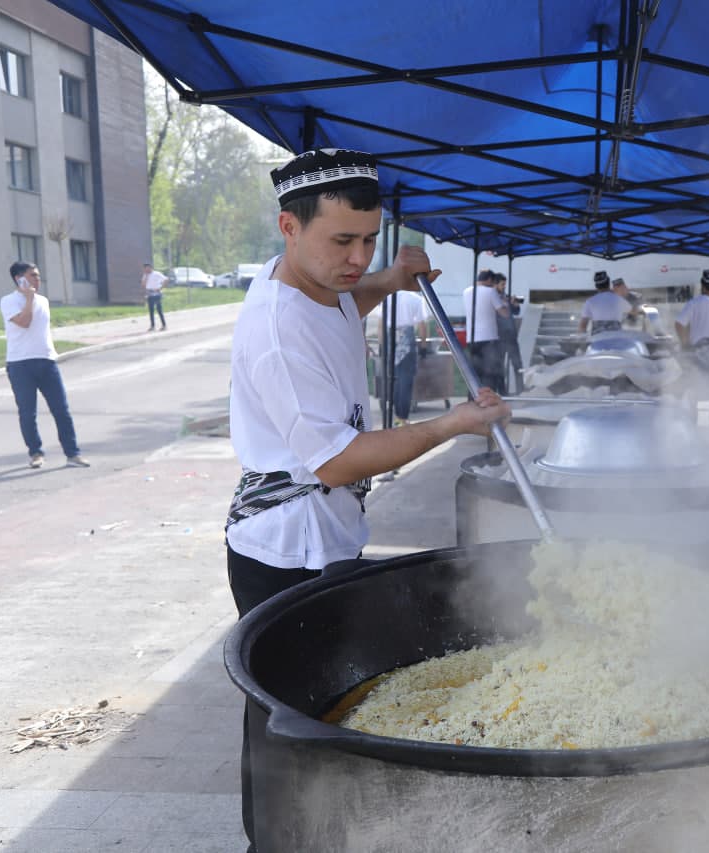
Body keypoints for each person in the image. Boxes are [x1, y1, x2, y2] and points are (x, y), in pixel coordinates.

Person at [225, 148, 510, 851]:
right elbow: (338, 460)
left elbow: (344, 300)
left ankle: (324, 828)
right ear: (288, 227)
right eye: (341, 241)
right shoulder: (277, 335)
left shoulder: (319, 284)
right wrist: (452, 424)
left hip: (331, 532)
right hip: (287, 550)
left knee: (323, 704)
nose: (355, 257)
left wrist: (392, 277)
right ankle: (279, 840)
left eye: (368, 240)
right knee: (287, 722)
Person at [0, 263, 91, 470]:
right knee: (27, 412)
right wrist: (29, 298)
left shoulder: (44, 301)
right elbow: (24, 322)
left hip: (46, 361)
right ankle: (36, 453)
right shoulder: (8, 301)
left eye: (38, 275)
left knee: (61, 410)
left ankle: (73, 454)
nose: (37, 280)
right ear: (18, 279)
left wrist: (33, 297)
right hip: (20, 364)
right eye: (32, 276)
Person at [675, 269, 709, 426]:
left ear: (703, 285)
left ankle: (693, 427)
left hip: (699, 352)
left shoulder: (694, 303)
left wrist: (685, 344)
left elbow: (679, 324)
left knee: (695, 391)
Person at [462, 269, 509, 391]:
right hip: (489, 338)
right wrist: (505, 304)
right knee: (490, 373)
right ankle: (489, 401)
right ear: (489, 280)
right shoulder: (491, 292)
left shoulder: (466, 291)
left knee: (475, 373)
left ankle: (473, 399)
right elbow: (504, 313)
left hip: (471, 339)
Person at [388, 289, 429, 424]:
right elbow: (422, 325)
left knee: (395, 380)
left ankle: (396, 416)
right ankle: (403, 418)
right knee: (406, 381)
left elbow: (380, 323)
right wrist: (423, 346)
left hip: (391, 337)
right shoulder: (416, 298)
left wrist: (383, 346)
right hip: (407, 336)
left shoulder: (388, 297)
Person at [493, 272, 525, 395]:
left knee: (518, 364)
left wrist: (515, 305)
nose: (504, 287)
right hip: (499, 336)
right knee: (499, 366)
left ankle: (520, 391)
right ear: (495, 284)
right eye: (502, 284)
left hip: (511, 336)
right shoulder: (493, 297)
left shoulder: (505, 296)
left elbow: (515, 312)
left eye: (505, 284)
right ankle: (502, 392)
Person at [141, 263, 167, 331]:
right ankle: (152, 326)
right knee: (151, 310)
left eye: (147, 268)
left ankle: (164, 325)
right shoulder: (145, 275)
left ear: (150, 267)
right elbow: (143, 284)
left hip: (157, 293)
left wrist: (161, 288)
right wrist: (146, 276)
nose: (146, 269)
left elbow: (166, 279)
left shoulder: (157, 274)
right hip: (149, 293)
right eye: (145, 268)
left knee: (159, 310)